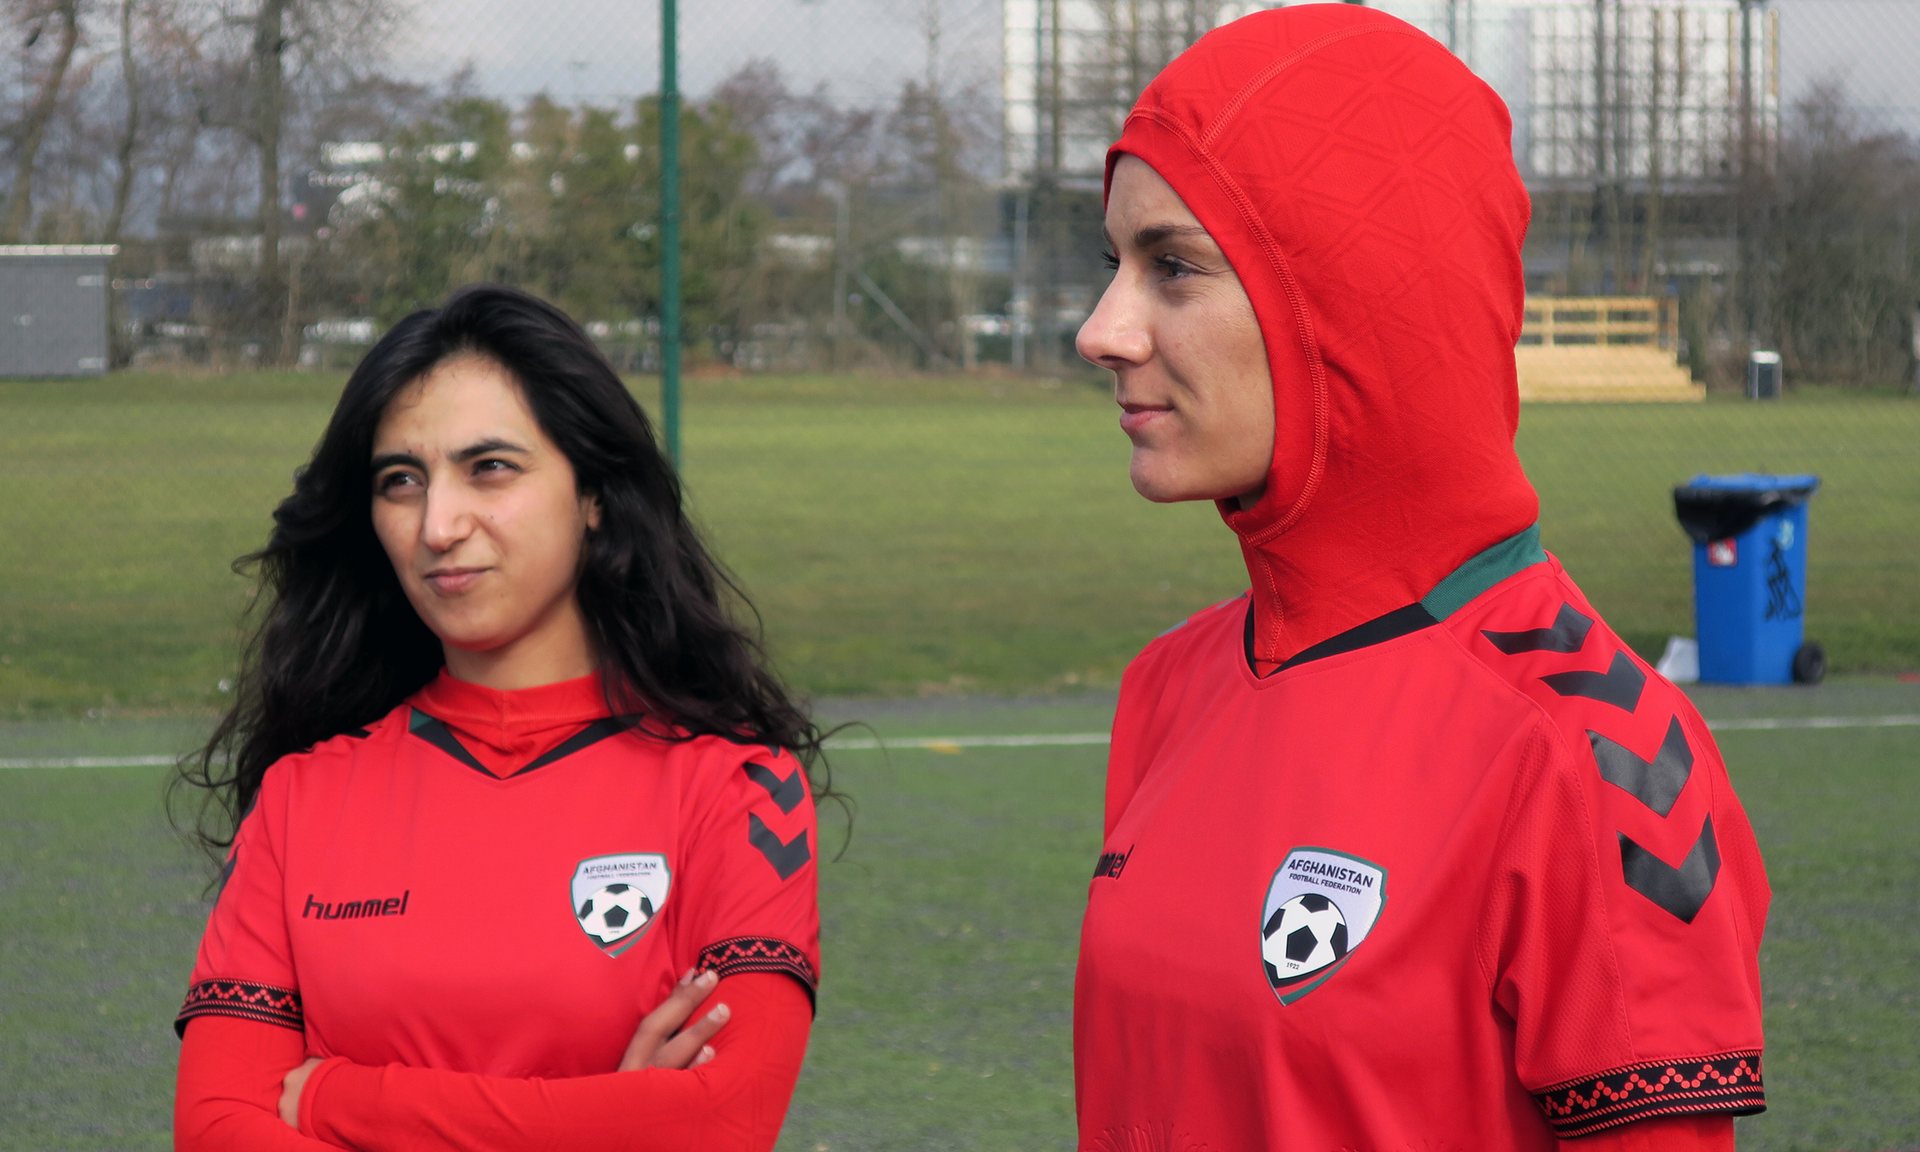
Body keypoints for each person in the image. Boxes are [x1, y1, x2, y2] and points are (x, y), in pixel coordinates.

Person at [1071, 6, 1767, 1150]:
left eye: (1175, 268)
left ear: (1348, 298)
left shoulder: (1594, 752)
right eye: (1116, 264)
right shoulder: (1171, 686)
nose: (1104, 329)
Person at [171, 285, 823, 1151]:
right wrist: (604, 1120)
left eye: (490, 468)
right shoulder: (299, 799)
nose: (438, 525)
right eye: (401, 482)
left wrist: (338, 1099)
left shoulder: (737, 793)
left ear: (594, 493)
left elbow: (722, 1119)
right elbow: (218, 1129)